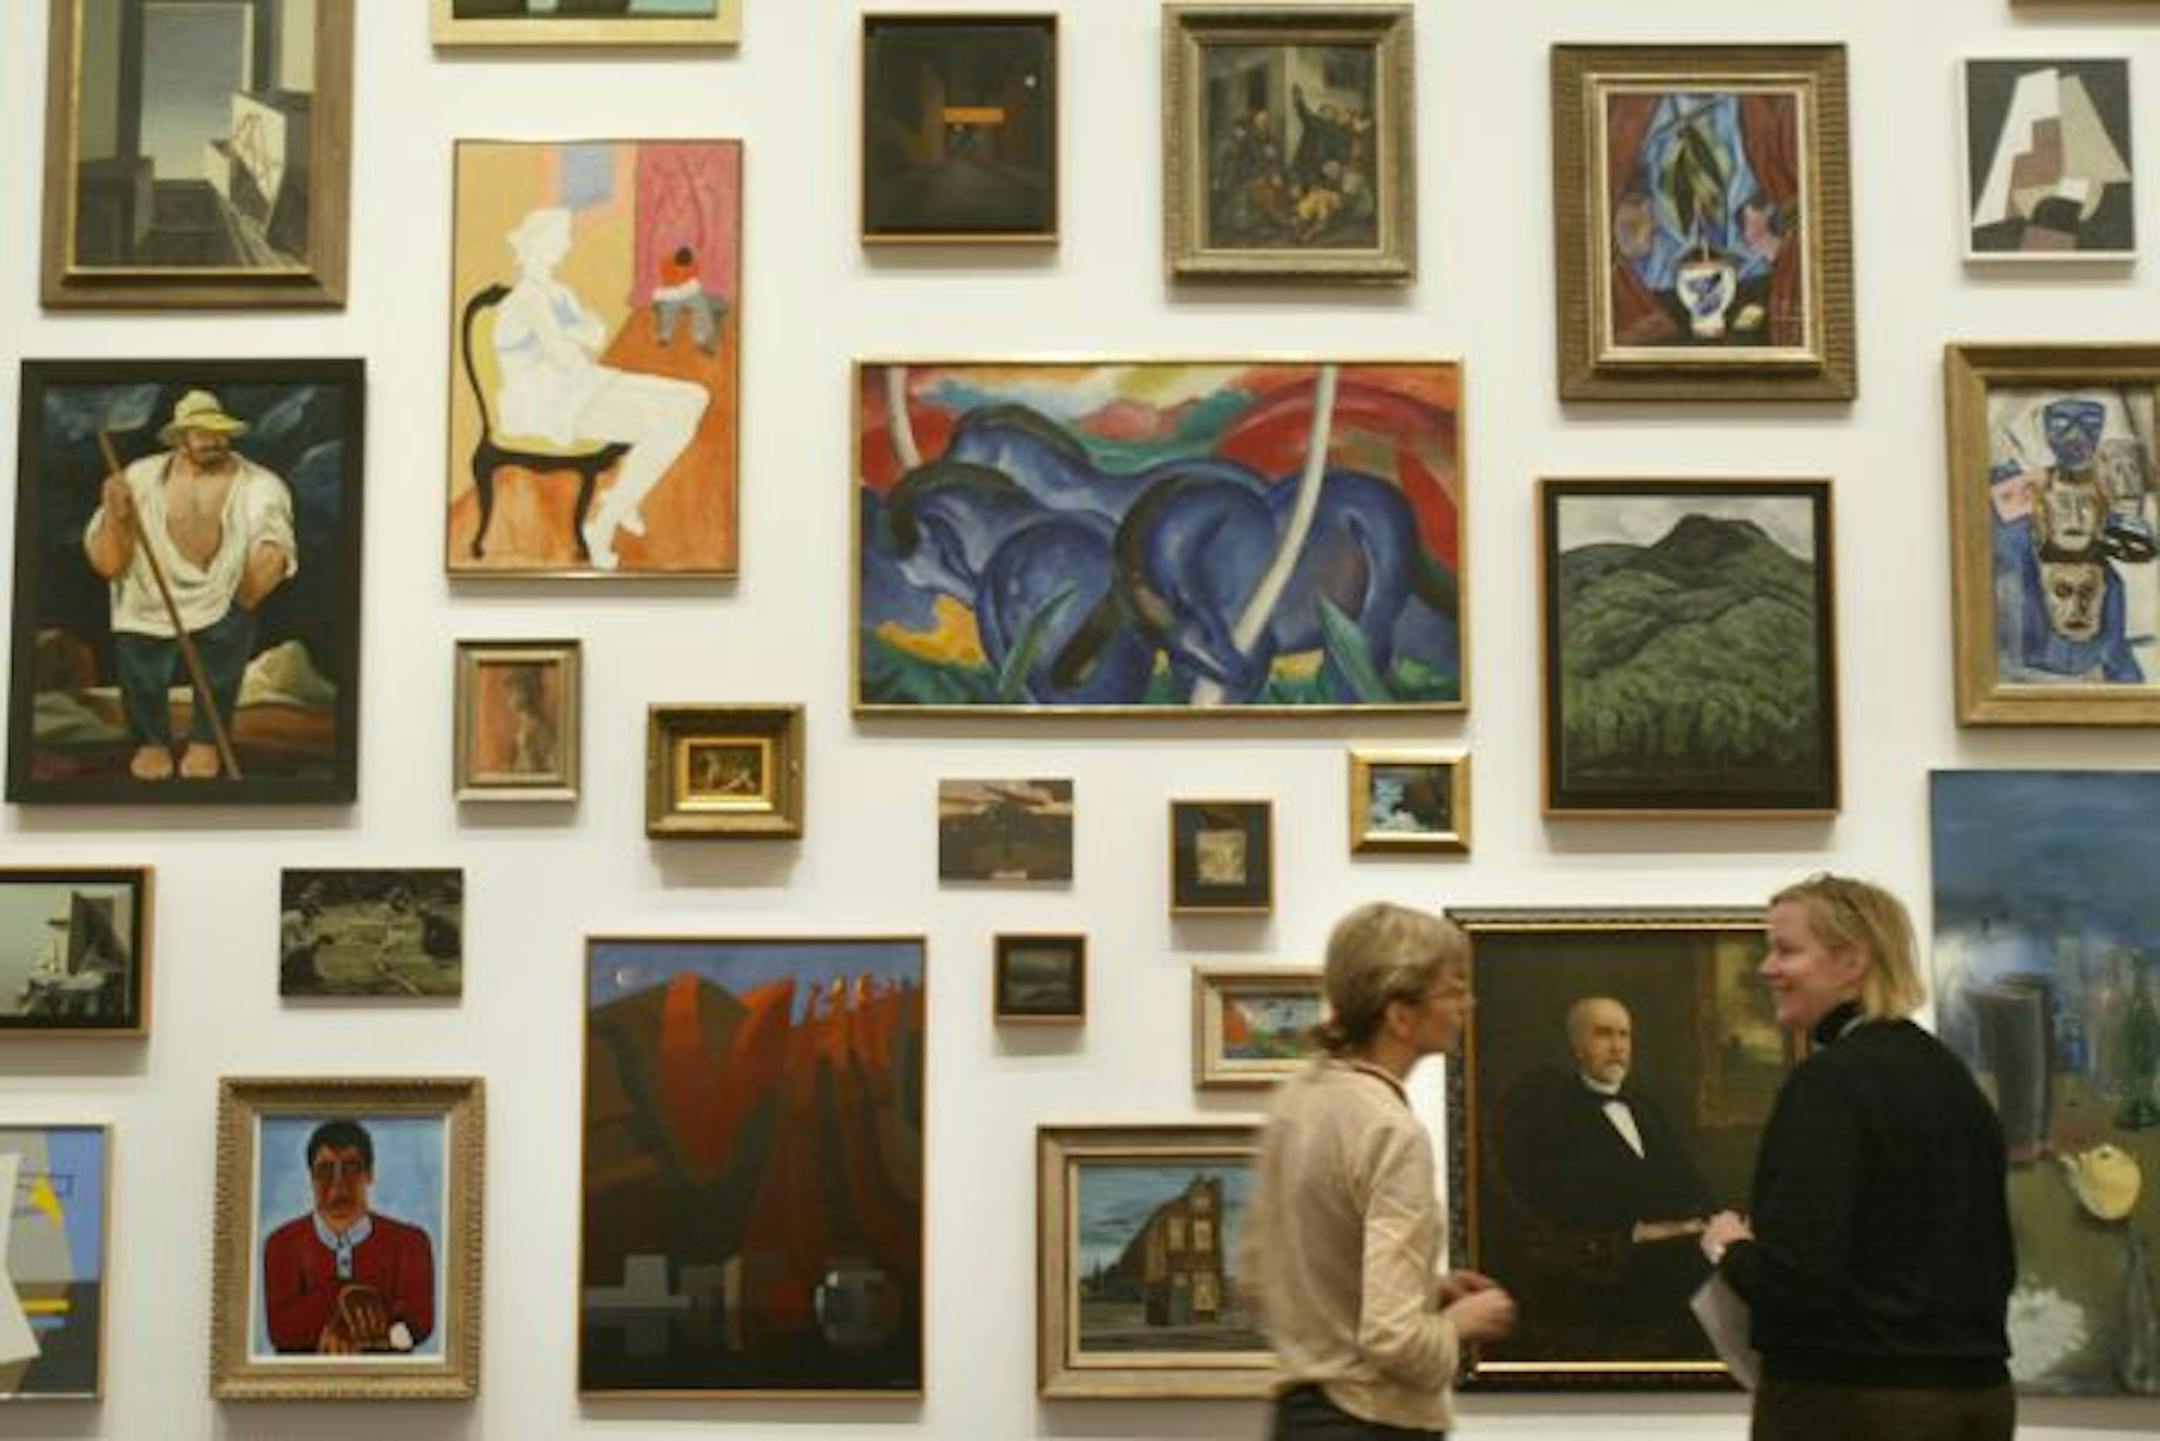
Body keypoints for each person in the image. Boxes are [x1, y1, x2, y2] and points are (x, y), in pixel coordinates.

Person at [1701, 874, 2014, 1441]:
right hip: (1978, 1398)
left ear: (1851, 962)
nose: (1766, 969)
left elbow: (1800, 1279)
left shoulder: (1830, 1083)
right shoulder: (1952, 1079)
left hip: (1856, 1403)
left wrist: (1730, 1247)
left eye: (1786, 950)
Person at [1244, 902, 1516, 1439]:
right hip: (1371, 1422)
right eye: (1453, 990)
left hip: (1297, 1419)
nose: (1469, 1004)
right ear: (1400, 1014)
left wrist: (1424, 1287)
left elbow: (1262, 1277)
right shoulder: (1389, 1130)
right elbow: (1393, 1340)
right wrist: (1460, 1324)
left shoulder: (1297, 1100)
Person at [82, 389, 296, 781]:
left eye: (221, 432)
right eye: (203, 433)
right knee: (143, 674)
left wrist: (250, 589)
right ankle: (151, 743)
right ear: (180, 438)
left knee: (218, 671)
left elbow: (274, 538)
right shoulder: (139, 476)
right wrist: (116, 513)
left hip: (224, 590)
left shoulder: (259, 483)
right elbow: (106, 560)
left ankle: (206, 742)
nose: (215, 441)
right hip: (149, 594)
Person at [1492, 996, 1714, 1358]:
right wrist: (1639, 1232)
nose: (1617, 1047)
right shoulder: (1552, 1118)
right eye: (1603, 1035)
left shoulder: (1646, 1109)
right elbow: (1560, 1209)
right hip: (1602, 1281)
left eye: (1624, 1036)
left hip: (1674, 1270)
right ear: (1578, 1046)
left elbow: (1691, 1185)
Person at [492, 207, 710, 570]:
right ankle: (604, 523)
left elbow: (595, 333)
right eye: (560, 236)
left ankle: (624, 496)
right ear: (539, 243)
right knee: (666, 421)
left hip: (574, 385)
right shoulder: (527, 298)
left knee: (696, 396)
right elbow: (567, 355)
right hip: (544, 403)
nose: (567, 243)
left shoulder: (557, 292)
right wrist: (574, 336)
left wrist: (573, 335)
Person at [261, 1119, 436, 1355]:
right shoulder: (281, 1245)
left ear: (370, 1175)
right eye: (325, 1170)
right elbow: (282, 1331)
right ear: (310, 1178)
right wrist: (355, 1303)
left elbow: (417, 1326)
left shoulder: (410, 1243)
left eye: (351, 1168)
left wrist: (342, 1323)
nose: (338, 1184)